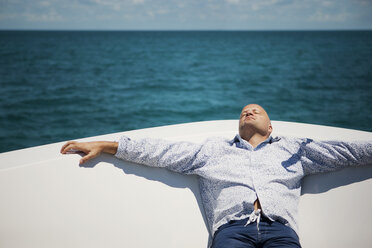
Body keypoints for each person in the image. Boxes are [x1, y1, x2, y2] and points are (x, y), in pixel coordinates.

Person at [60, 104, 372, 248]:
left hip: (280, 232)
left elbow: (347, 152)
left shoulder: (295, 150)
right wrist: (106, 144)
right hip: (232, 232)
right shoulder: (213, 151)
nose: (247, 113)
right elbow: (160, 151)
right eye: (243, 113)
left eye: (256, 111)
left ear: (271, 126)